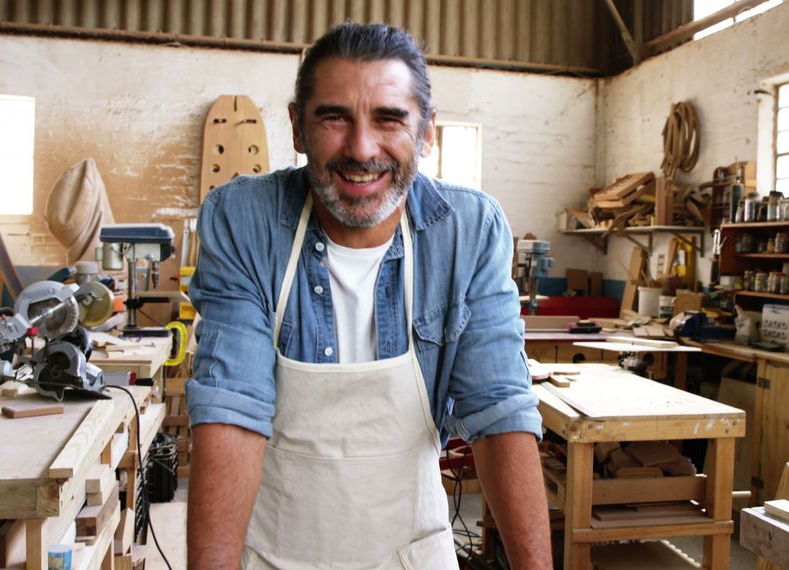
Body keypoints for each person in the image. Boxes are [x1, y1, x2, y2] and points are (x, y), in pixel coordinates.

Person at [185, 22, 552, 569]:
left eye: (389, 118)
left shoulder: (467, 231)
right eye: (334, 117)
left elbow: (499, 415)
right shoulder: (244, 220)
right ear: (297, 128)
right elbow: (230, 413)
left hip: (412, 554)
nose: (361, 148)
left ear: (426, 131)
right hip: (269, 555)